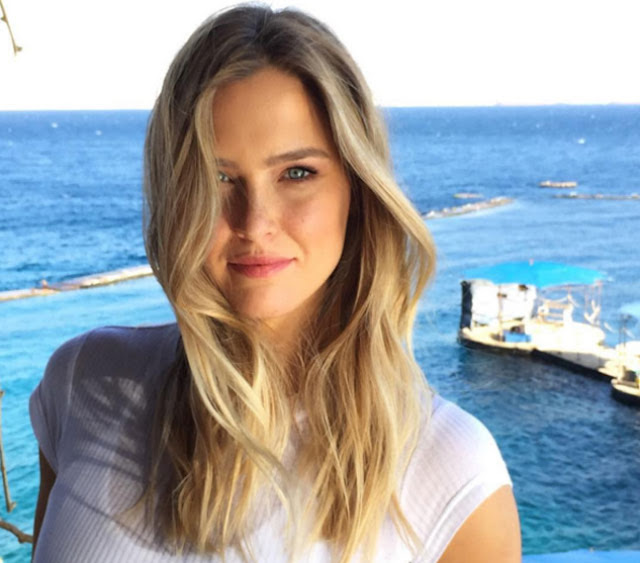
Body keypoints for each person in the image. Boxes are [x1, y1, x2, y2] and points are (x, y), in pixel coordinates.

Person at [29, 4, 521, 562]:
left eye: (296, 173)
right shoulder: (85, 383)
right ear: (174, 195)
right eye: (216, 177)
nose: (254, 222)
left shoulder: (453, 477)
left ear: (358, 191)